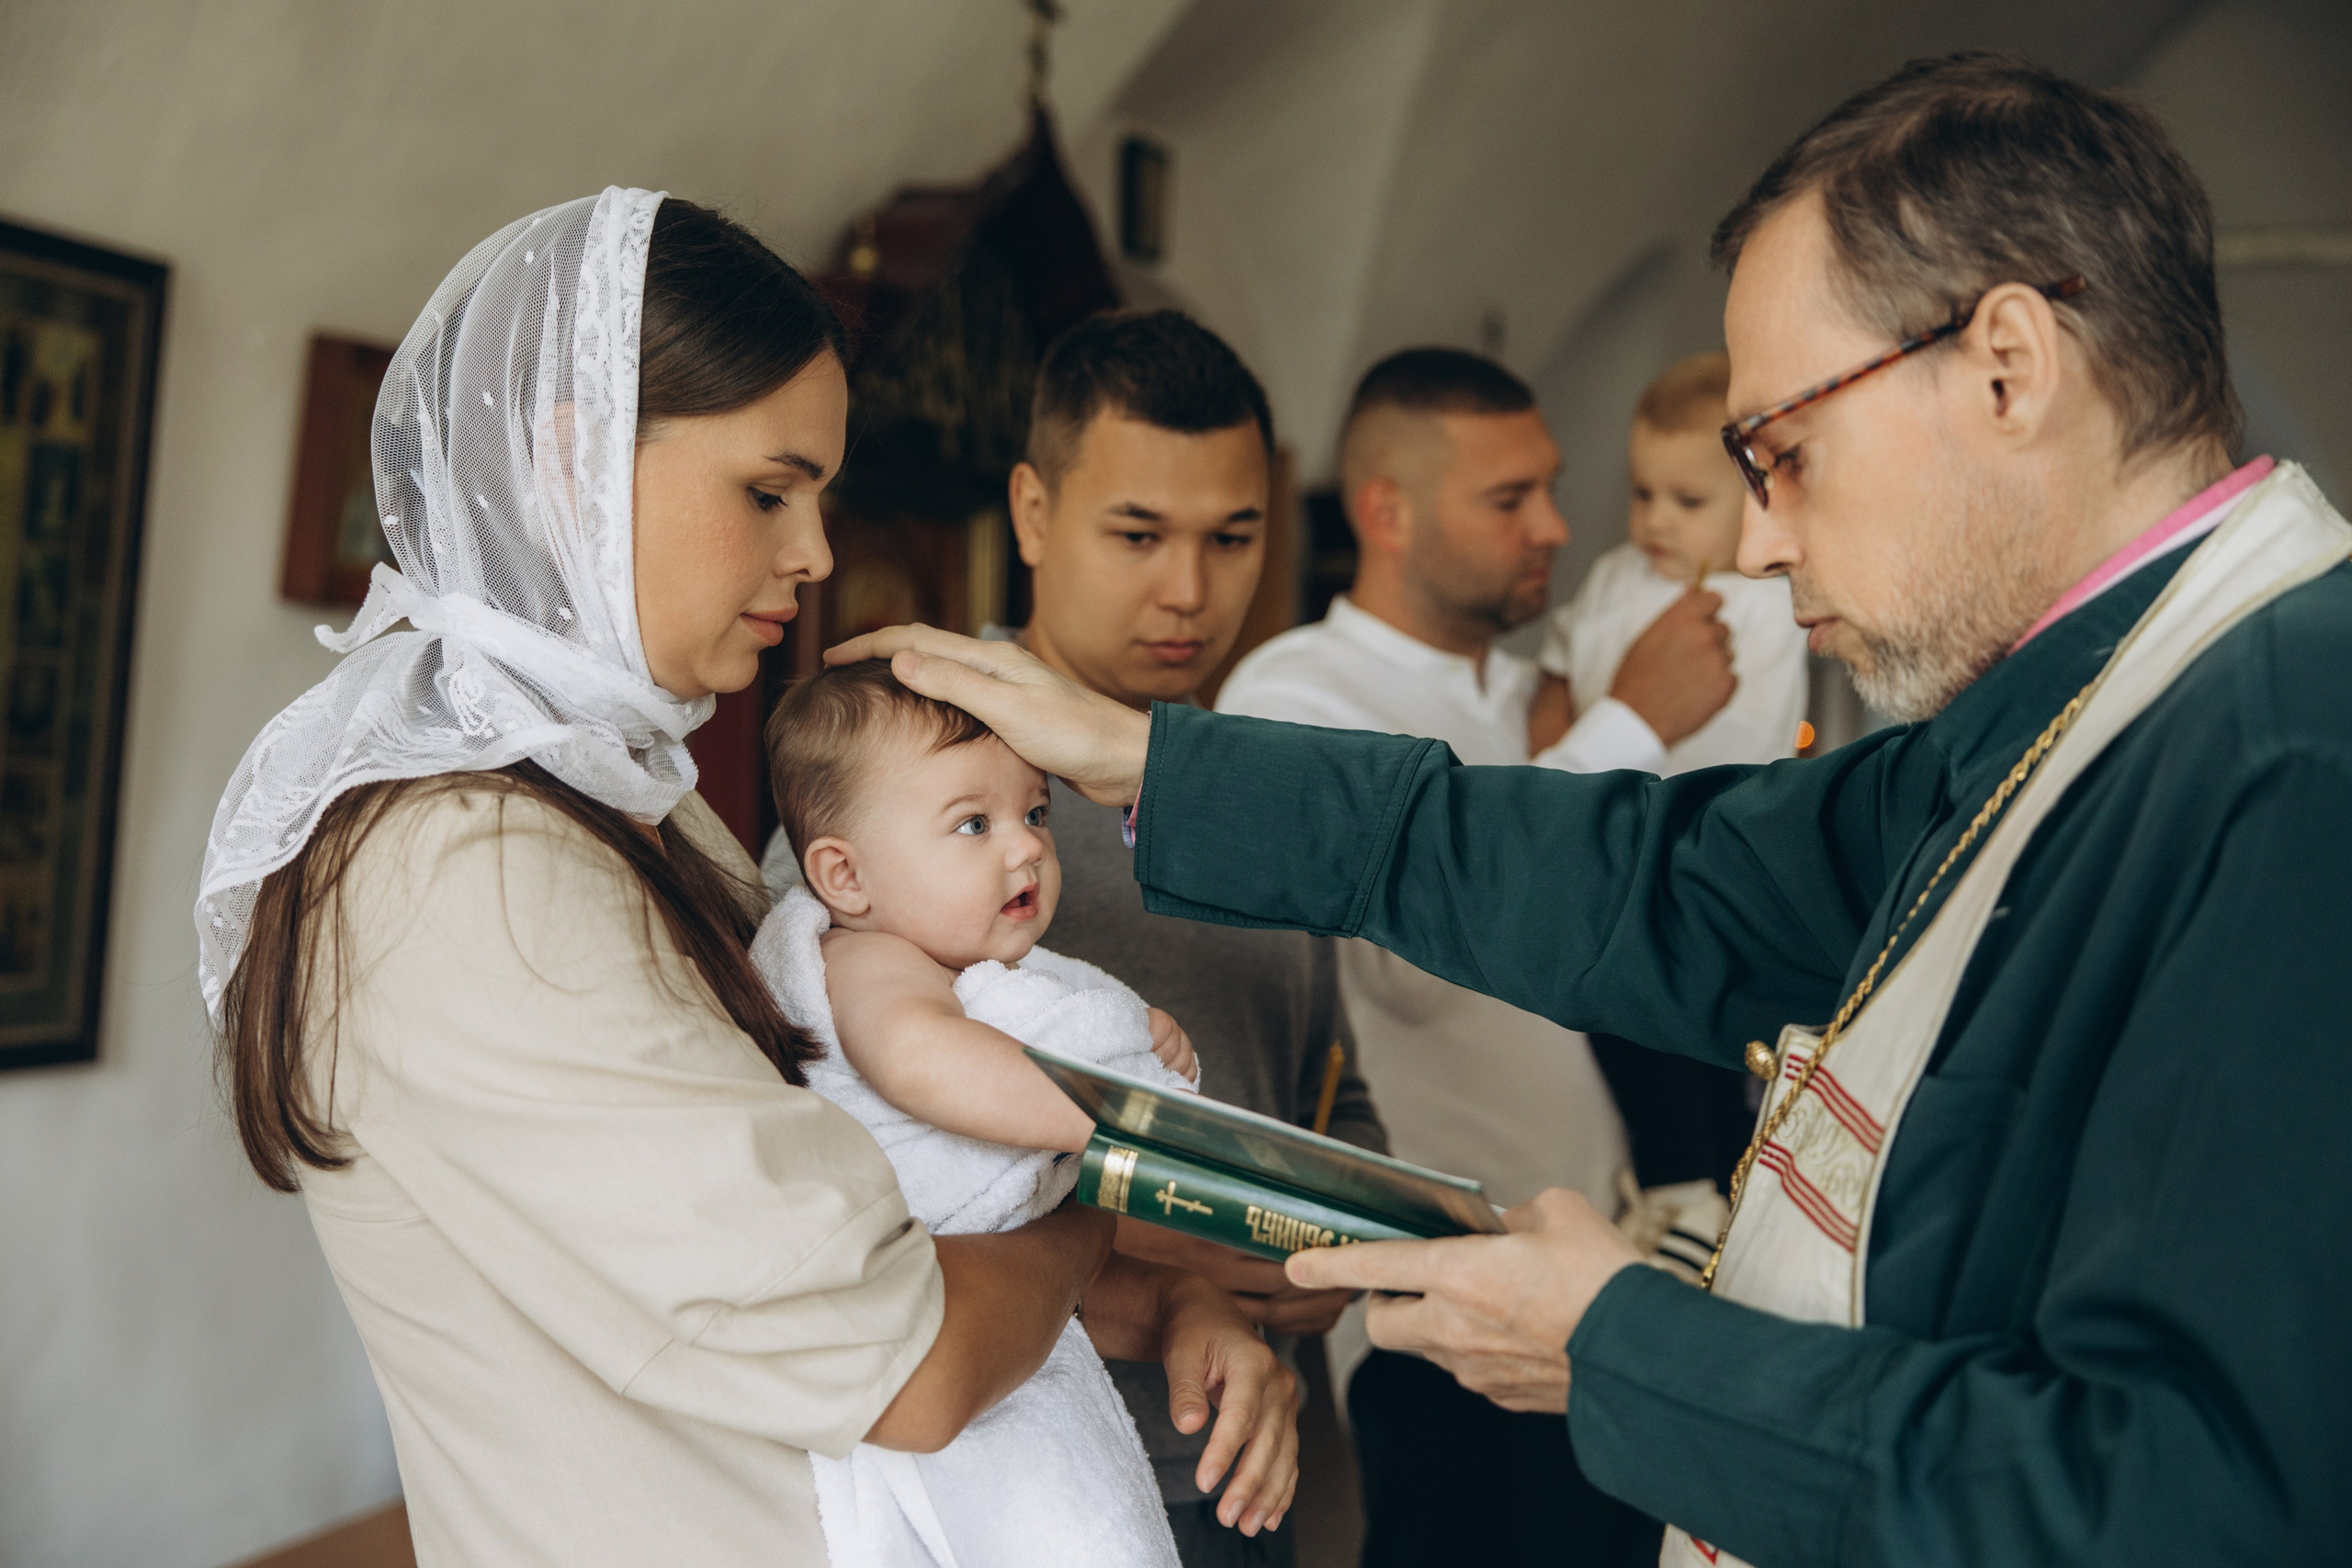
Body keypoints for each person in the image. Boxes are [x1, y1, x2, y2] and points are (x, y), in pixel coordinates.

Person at [834, 51, 2352, 1567]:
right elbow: (1656, 879)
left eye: (1787, 453)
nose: (1755, 542)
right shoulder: (2084, 710)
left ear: (2009, 368)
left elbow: (2182, 1495)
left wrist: (1623, 1351)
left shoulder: (2289, 763)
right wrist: (1162, 766)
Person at [198, 189, 1293, 1567]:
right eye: (769, 490)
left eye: (820, 497)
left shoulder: (627, 801)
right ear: (573, 458)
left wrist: (1175, 1299)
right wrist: (1079, 1213)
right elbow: (907, 1358)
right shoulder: (464, 865)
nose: (815, 552)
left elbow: (861, 1200)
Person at [1214, 347, 1737, 1566]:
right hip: (1448, 1308)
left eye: (1550, 487)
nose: (1554, 526)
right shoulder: (1297, 698)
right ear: (1387, 512)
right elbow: (1406, 961)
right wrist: (1634, 723)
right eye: (1510, 499)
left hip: (1609, 1275)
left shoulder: (1532, 695)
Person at [1002, 308, 1384, 1568]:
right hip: (1024, 1466)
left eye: (1232, 537)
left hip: (1254, 1461)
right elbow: (857, 1163)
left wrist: (1345, 1246)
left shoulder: (1268, 789)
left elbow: (1331, 1085)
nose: (1190, 590)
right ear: (1032, 513)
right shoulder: (913, 771)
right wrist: (1191, 1257)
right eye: (1138, 534)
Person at [752, 659, 1272, 1567]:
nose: (1026, 846)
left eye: (1034, 813)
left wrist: (1115, 1034)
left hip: (1008, 1320)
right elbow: (924, 1061)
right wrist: (1112, 1109)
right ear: (846, 876)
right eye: (973, 823)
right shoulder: (866, 962)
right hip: (921, 1361)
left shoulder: (976, 973)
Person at [1528, 351, 1810, 777]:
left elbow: (1753, 745)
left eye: (1689, 501)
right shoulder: (1616, 571)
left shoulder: (1769, 609)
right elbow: (1556, 674)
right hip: (1585, 795)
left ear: (1758, 496)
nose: (1656, 520)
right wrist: (1551, 764)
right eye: (1642, 493)